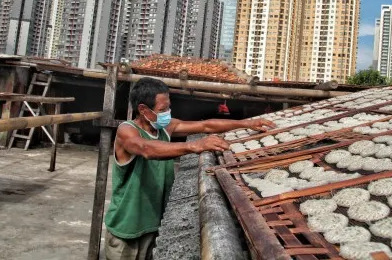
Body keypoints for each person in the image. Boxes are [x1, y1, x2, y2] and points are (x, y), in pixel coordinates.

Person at [104, 77, 275, 259]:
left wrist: (247, 124)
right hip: (127, 229)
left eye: (168, 107)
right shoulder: (127, 131)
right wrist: (194, 146)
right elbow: (146, 149)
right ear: (143, 110)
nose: (167, 113)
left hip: (155, 225)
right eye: (162, 110)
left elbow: (206, 125)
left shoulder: (165, 128)